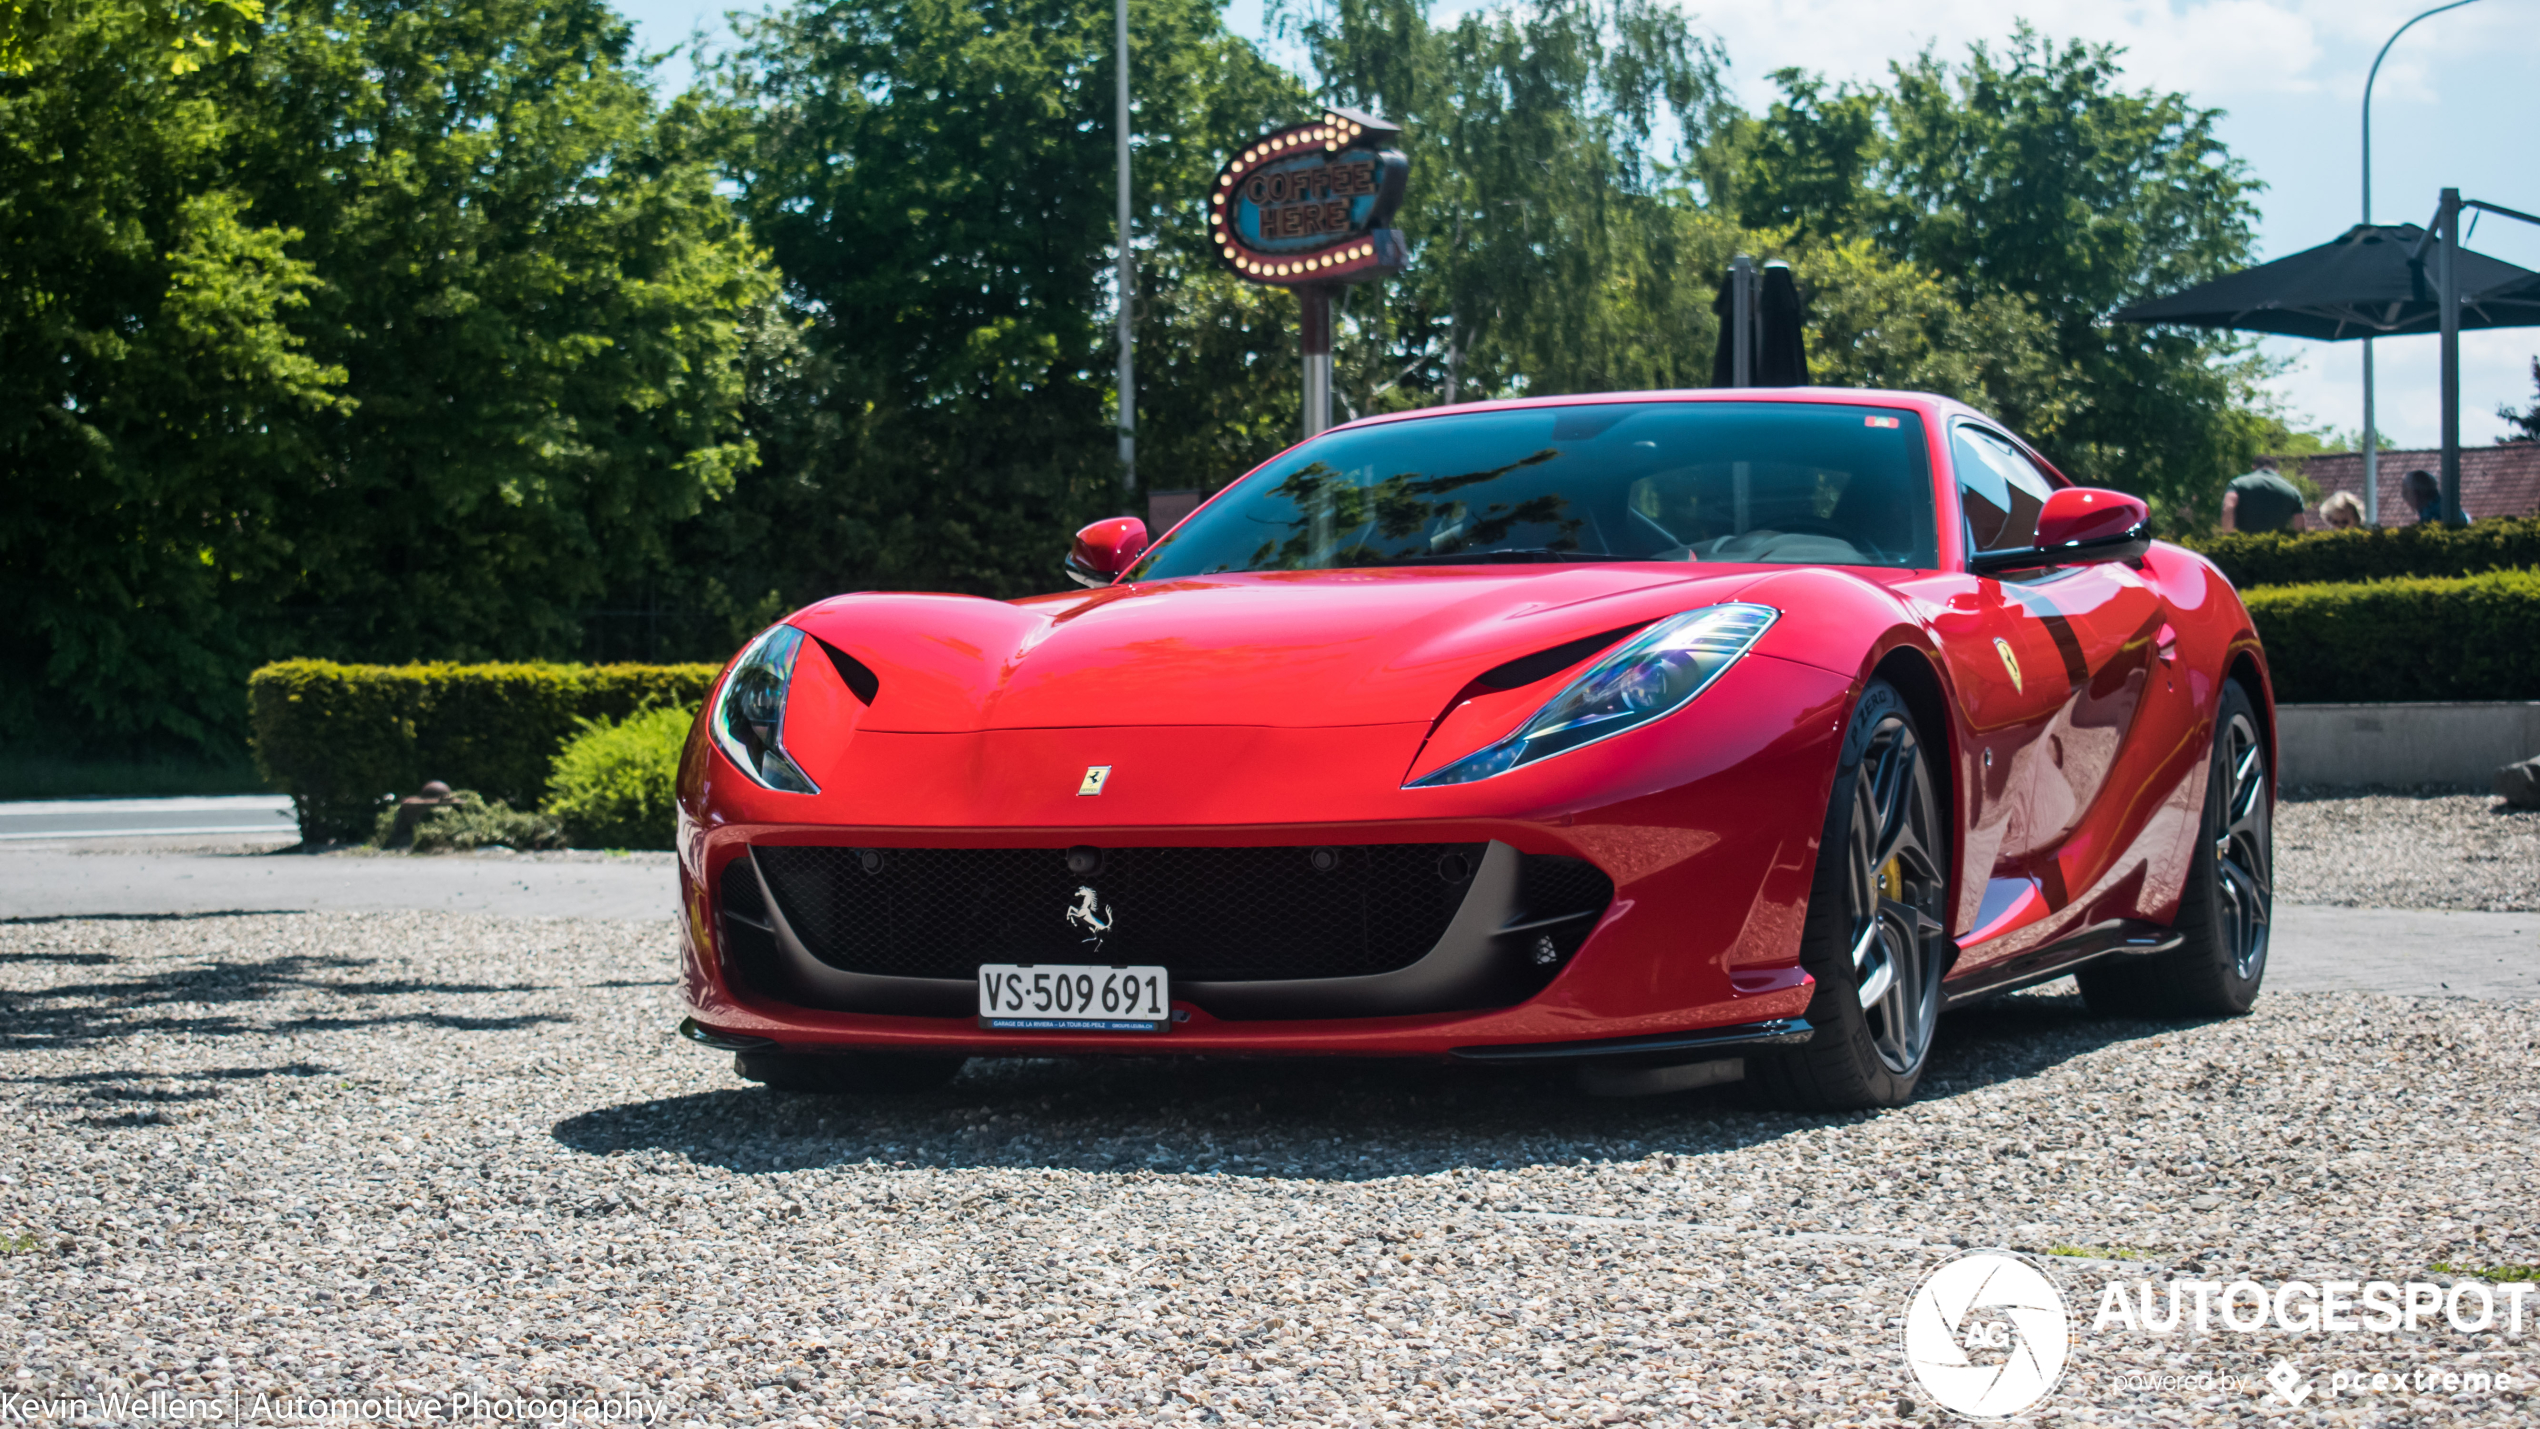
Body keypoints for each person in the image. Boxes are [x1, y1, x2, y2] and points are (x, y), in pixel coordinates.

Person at [2220, 457, 2305, 534]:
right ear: (2277, 470)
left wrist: (2228, 537)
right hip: (2276, 547)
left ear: (2254, 467)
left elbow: (2228, 507)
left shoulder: (2237, 484)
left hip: (2243, 546)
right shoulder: (2293, 492)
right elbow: (2299, 525)